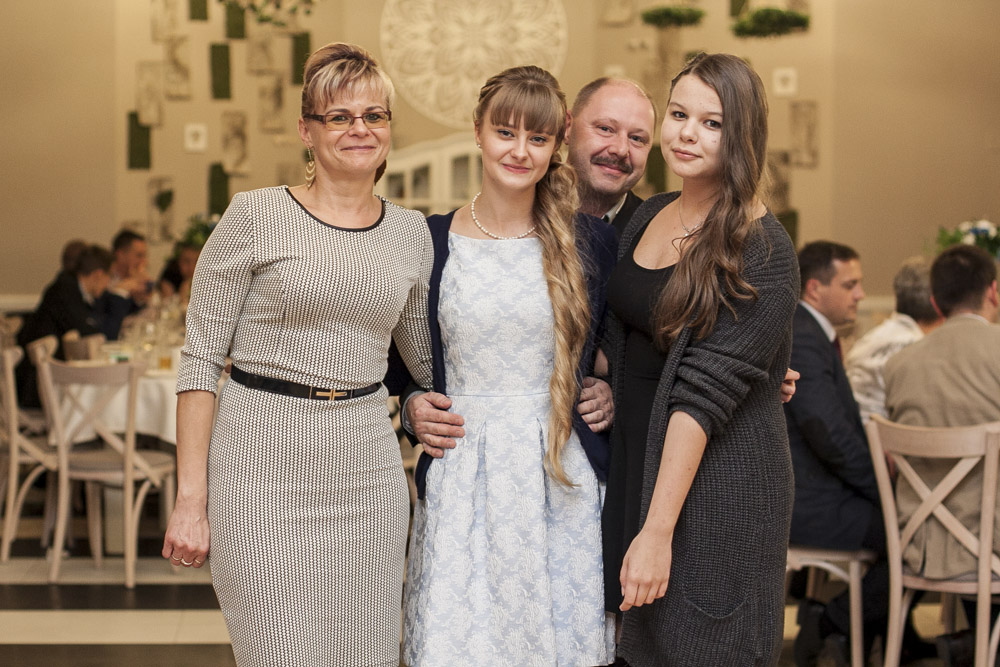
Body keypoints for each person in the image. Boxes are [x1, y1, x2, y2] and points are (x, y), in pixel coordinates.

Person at [161, 42, 433, 666]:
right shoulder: (255, 215)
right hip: (258, 467)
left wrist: (422, 398)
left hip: (366, 473)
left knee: (365, 655)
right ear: (307, 131)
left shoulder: (410, 232)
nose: (360, 129)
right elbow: (200, 362)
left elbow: (421, 361)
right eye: (339, 117)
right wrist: (190, 500)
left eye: (374, 115)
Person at [400, 66, 617, 665]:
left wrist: (611, 387)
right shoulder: (428, 240)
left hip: (559, 474)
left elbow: (631, 341)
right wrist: (413, 405)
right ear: (478, 131)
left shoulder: (589, 241)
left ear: (556, 144)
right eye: (506, 132)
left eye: (538, 138)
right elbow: (393, 354)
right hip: (463, 472)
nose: (520, 151)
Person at [599, 53, 799, 666]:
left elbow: (700, 399)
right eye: (679, 114)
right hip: (638, 464)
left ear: (742, 135)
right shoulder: (649, 213)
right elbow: (622, 333)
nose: (687, 133)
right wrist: (596, 380)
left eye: (711, 123)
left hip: (716, 486)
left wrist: (657, 532)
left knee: (704, 648)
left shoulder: (761, 246)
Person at [885, 245, 1000, 662]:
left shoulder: (899, 365)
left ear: (934, 302)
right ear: (993, 291)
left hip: (921, 548)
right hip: (992, 548)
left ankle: (973, 643)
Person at [845, 256, 942, 422]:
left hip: (853, 429)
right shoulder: (918, 352)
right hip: (887, 436)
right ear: (939, 305)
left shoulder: (867, 341)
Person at [16, 244, 113, 406]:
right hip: (38, 385)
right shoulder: (65, 290)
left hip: (51, 378)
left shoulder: (72, 287)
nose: (108, 284)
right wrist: (118, 296)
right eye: (109, 277)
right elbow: (91, 334)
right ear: (98, 275)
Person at [567, 77, 657, 236]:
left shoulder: (655, 235)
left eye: (636, 138)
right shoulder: (524, 209)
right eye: (605, 129)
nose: (621, 150)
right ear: (567, 127)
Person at [96, 229, 151, 339]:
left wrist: (141, 296)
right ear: (120, 255)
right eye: (139, 255)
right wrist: (122, 289)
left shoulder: (136, 278)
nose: (144, 261)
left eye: (145, 256)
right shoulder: (104, 280)